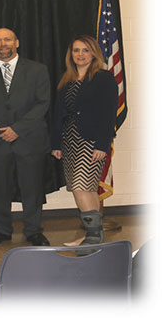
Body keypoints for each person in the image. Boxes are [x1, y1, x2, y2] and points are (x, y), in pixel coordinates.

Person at [0, 28, 51, 247]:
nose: (3, 44)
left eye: (7, 39)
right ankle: (1, 230)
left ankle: (33, 230)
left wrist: (17, 129)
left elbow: (43, 103)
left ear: (17, 42)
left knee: (32, 188)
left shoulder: (37, 70)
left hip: (29, 140)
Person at [51, 35, 118, 247]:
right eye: (76, 50)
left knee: (82, 187)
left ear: (94, 53)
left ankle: (92, 237)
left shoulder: (103, 78)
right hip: (69, 141)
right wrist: (56, 144)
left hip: (91, 141)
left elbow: (109, 114)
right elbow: (58, 114)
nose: (80, 54)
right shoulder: (66, 79)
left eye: (85, 50)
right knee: (82, 188)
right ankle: (93, 236)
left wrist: (102, 145)